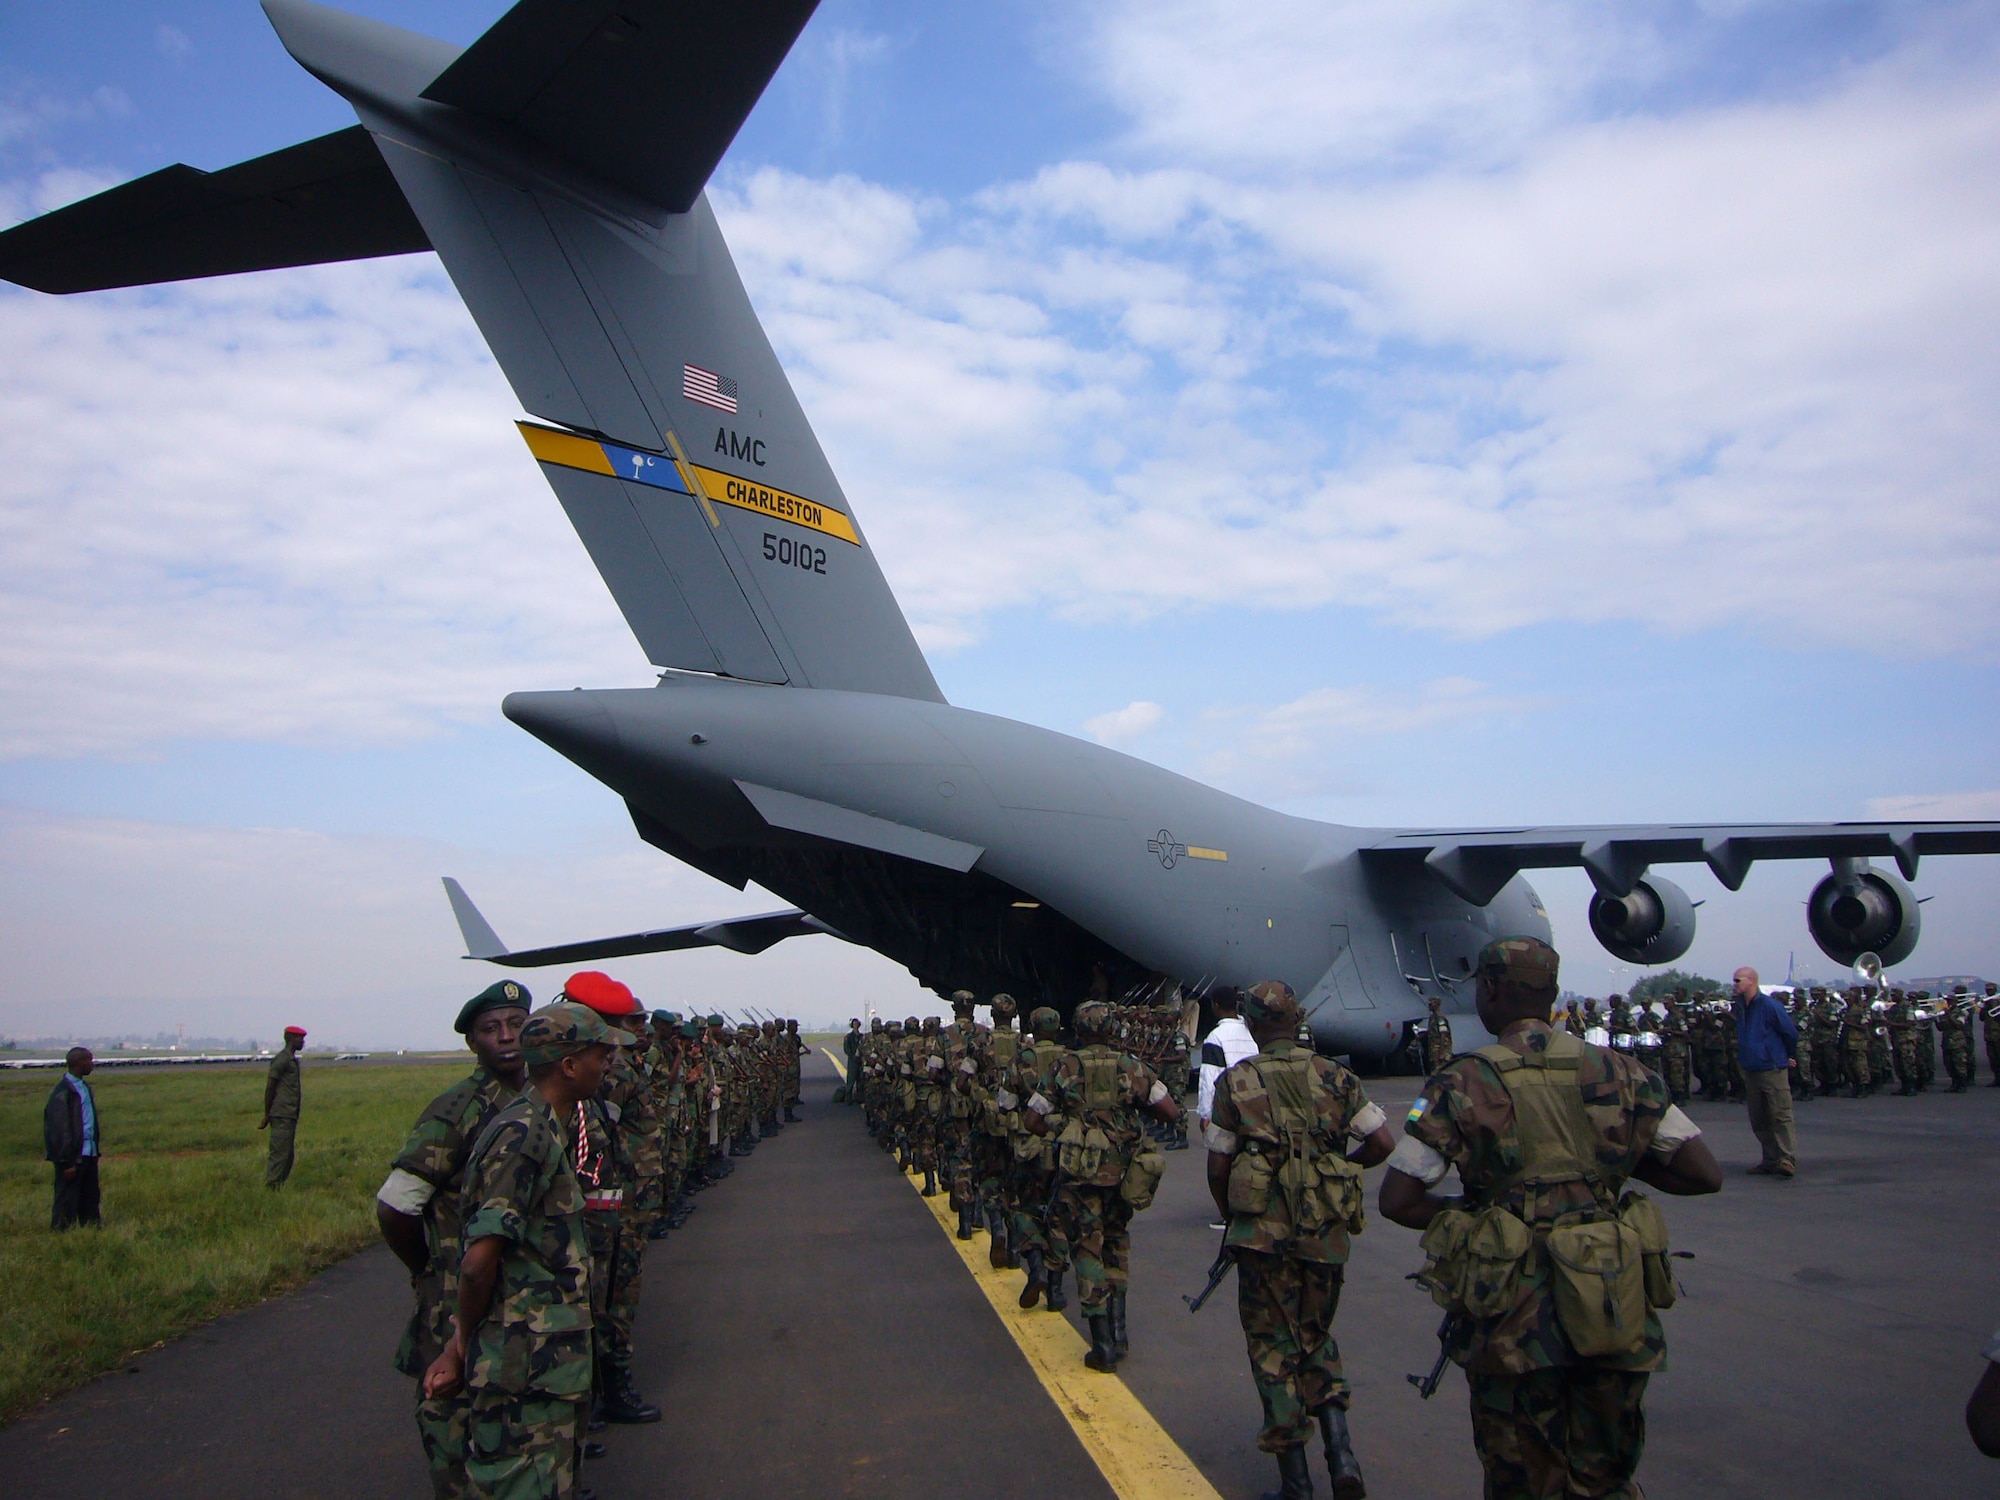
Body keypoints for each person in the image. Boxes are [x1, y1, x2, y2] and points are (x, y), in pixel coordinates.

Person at [1379, 937, 1722, 1500]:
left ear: (1488, 990)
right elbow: (1702, 1173)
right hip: (1608, 1305)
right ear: (1554, 995)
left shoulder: (1461, 1082)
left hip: (1514, 1324)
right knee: (1605, 1476)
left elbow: (1399, 1200)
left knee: (1521, 1478)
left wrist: (1483, 1215)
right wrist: (1603, 1177)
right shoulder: (1621, 1070)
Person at [1206, 980, 1395, 1500]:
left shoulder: (1237, 1081)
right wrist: (1337, 1170)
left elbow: (1218, 1163)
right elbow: (1381, 1142)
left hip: (1263, 1236)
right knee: (1315, 1333)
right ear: (1297, 1018)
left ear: (1252, 1023)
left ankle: (1296, 1482)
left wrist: (1234, 1217)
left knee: (1272, 1347)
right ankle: (1342, 1456)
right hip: (1323, 1231)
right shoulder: (1336, 1076)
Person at [423, 1001, 614, 1500]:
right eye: (600, 1054)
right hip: (527, 1369)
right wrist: (461, 1341)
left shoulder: (547, 1123)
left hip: (550, 1361)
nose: (608, 1063)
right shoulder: (523, 1135)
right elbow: (478, 1261)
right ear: (569, 1065)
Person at [376, 980, 531, 1500]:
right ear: (474, 1044)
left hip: (511, 1299)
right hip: (456, 1296)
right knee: (455, 1434)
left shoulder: (532, 1101)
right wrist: (428, 1267)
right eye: (492, 1029)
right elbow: (396, 1206)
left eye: (516, 1023)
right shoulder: (456, 1111)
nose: (507, 1037)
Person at [1025, 999, 1182, 1371]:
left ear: (1078, 1031)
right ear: (1113, 1030)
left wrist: (1066, 1130)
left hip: (1080, 1177)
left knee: (1086, 1248)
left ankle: (1102, 1344)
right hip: (1123, 1174)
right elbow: (1170, 1112)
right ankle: (1119, 1330)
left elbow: (1033, 1119)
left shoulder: (1064, 1067)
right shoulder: (1132, 1067)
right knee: (1116, 1243)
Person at [1196, 987, 1258, 1228]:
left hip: (1228, 1107)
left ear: (1216, 1006)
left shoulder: (1215, 1037)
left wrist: (1205, 1114)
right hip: (1257, 1105)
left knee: (1222, 1165)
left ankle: (1229, 1214)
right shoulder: (1252, 1032)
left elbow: (1210, 1078)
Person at [1733, 966, 1799, 1177]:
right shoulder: (1741, 1007)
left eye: (1738, 980)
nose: (1734, 985)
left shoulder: (1770, 1006)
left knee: (1780, 1115)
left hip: (1771, 1068)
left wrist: (1785, 1055)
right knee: (1759, 1117)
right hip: (1751, 1068)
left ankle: (1786, 1158)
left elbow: (1790, 1033)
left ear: (1751, 981)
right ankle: (1770, 1159)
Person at [44, 1046, 102, 1230]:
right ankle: (61, 1234)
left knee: (90, 1196)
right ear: (79, 1063)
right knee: (66, 1199)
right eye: (89, 1060)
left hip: (89, 1152)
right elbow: (59, 1129)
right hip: (73, 1156)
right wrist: (65, 1161)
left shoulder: (83, 1087)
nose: (92, 1064)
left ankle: (91, 1231)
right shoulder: (63, 1093)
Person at [260, 1025, 307, 1188]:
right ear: (292, 1039)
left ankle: (277, 1186)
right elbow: (270, 1086)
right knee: (280, 1154)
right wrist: (267, 1114)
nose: (303, 1042)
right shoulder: (283, 1059)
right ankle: (272, 1186)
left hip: (289, 1113)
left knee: (287, 1155)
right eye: (300, 1038)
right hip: (282, 1114)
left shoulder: (291, 1060)